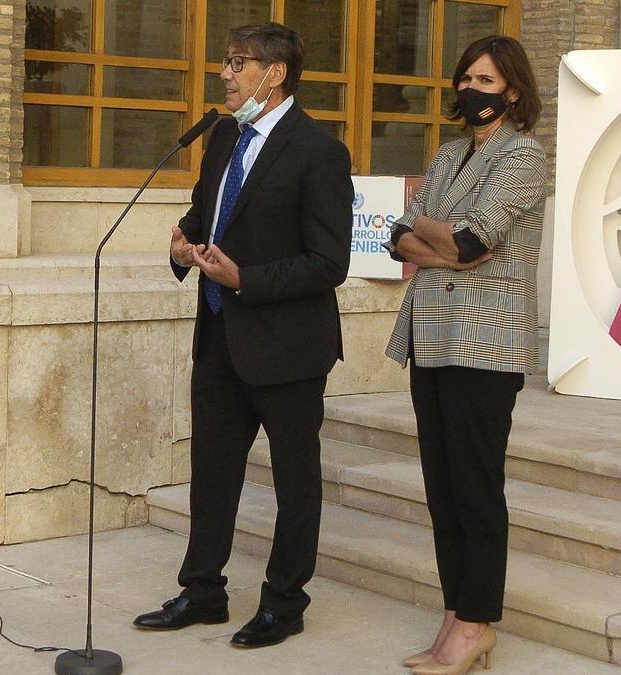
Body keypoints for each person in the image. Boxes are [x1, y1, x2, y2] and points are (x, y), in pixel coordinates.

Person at [132, 22, 353, 649]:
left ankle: (284, 602)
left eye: (237, 63)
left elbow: (328, 262)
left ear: (275, 73)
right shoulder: (224, 136)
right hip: (221, 338)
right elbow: (206, 214)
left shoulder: (319, 152)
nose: (225, 74)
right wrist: (183, 246)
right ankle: (203, 592)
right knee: (213, 472)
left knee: (294, 481)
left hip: (287, 348)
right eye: (226, 63)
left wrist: (245, 278)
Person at [382, 35, 548, 675]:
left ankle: (476, 624)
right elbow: (402, 235)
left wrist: (446, 241)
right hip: (430, 336)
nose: (473, 90)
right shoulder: (450, 154)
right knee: (442, 488)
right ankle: (456, 612)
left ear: (512, 90)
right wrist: (442, 244)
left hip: (487, 345)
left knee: (476, 489)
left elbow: (479, 238)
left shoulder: (526, 158)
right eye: (467, 79)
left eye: (487, 80)